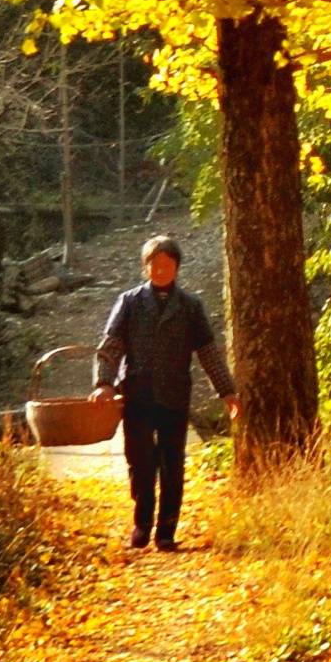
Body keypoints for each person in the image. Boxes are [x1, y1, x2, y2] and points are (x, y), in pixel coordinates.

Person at [94, 233, 237, 552]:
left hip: (174, 395)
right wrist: (104, 383)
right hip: (138, 394)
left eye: (167, 264)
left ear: (176, 267)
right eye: (154, 264)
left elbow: (208, 353)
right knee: (139, 461)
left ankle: (167, 531)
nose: (160, 270)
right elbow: (110, 347)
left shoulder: (190, 306)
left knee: (173, 463)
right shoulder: (129, 303)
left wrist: (227, 392)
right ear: (146, 268)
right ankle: (142, 523)